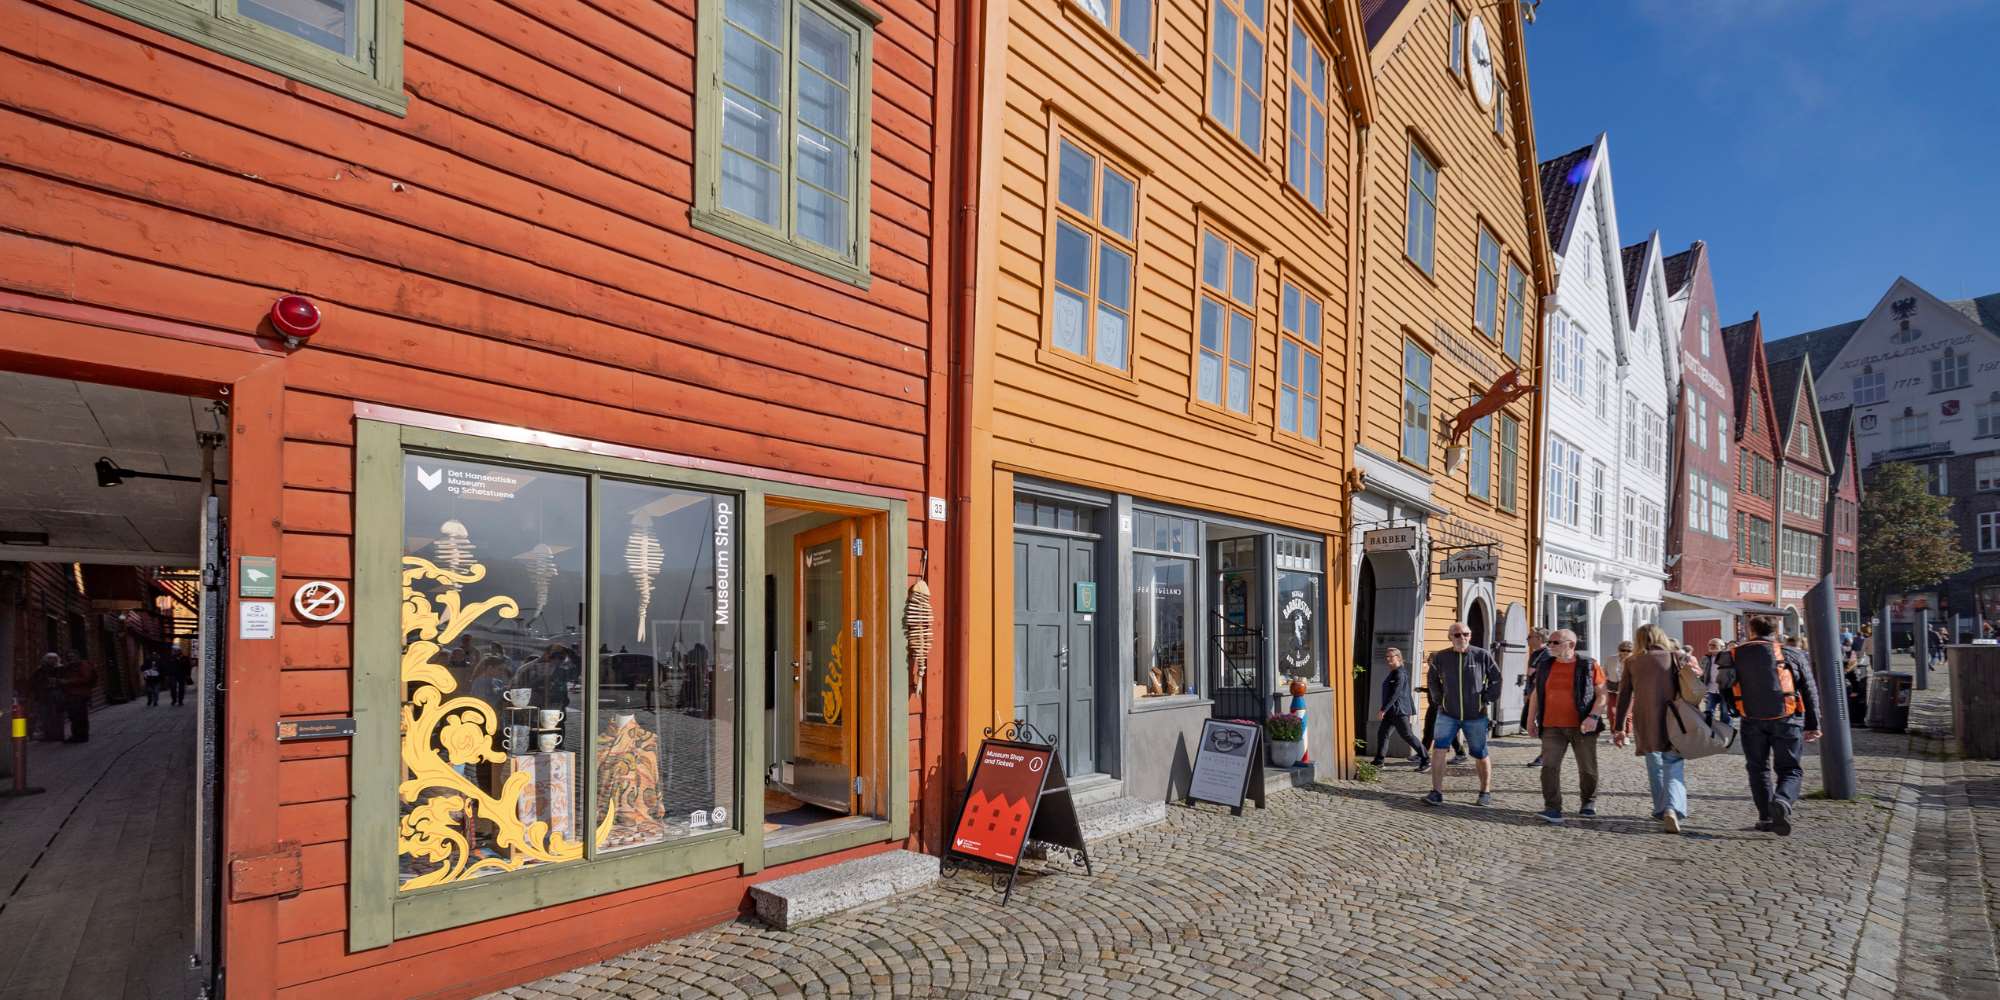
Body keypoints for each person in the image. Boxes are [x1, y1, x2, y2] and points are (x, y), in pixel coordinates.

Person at [1713, 615, 1822, 836]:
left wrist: (1736, 709)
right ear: (1775, 631)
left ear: (1751, 631)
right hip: (1788, 718)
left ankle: (1765, 817)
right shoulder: (1792, 654)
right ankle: (1782, 801)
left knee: (1758, 768)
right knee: (1790, 768)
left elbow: (1724, 686)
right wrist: (1813, 724)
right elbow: (1809, 690)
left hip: (1751, 719)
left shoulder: (1733, 654)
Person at [1613, 625, 1701, 834]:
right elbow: (1692, 687)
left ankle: (1661, 809)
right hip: (1674, 717)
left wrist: (1619, 728)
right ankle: (1672, 807)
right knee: (1673, 762)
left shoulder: (1632, 662)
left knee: (1654, 763)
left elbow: (1624, 695)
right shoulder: (1676, 657)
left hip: (1646, 718)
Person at [1525, 628, 1607, 824]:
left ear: (1571, 645)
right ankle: (1552, 808)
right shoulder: (1545, 665)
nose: (1550, 646)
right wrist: (1530, 720)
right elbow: (1536, 694)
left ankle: (1588, 801)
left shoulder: (1589, 665)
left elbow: (1603, 695)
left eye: (1555, 642)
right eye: (1549, 642)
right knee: (1549, 768)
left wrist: (1593, 717)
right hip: (1551, 726)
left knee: (1587, 768)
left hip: (1583, 726)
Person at [1423, 623, 1501, 807]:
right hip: (1447, 714)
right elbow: (1432, 680)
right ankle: (1436, 792)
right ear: (1450, 637)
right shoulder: (1441, 657)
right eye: (1457, 635)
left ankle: (1485, 792)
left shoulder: (1482, 655)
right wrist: (1439, 699)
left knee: (1480, 753)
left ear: (1470, 635)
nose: (1462, 638)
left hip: (1476, 715)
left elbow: (1496, 679)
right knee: (1439, 750)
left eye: (1465, 634)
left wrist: (1485, 699)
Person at [1371, 647, 1428, 770]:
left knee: (1407, 735)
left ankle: (1426, 759)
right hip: (1392, 711)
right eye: (1387, 656)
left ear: (1398, 657)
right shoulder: (1394, 672)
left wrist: (1383, 709)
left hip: (1399, 711)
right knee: (1383, 734)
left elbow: (1395, 694)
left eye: (1390, 656)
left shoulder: (1399, 673)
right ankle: (1379, 761)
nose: (1388, 659)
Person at [1522, 627, 1551, 767]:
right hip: (1533, 694)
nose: (1527, 639)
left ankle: (1547, 753)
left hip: (1543, 695)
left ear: (1539, 639)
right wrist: (1526, 693)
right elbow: (1530, 676)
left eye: (1530, 637)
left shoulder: (1547, 654)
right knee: (1525, 722)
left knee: (1543, 725)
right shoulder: (1535, 654)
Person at [61, 649, 98, 742]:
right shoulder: (70, 666)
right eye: (68, 657)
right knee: (75, 716)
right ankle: (78, 735)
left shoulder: (83, 665)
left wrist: (68, 681)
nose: (70, 658)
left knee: (80, 716)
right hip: (72, 694)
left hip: (80, 694)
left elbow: (86, 678)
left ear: (77, 656)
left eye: (72, 656)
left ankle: (81, 736)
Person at [30, 652, 65, 742]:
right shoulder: (40, 670)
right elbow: (33, 682)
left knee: (58, 716)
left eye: (54, 658)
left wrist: (57, 682)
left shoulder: (61, 669)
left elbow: (65, 681)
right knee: (46, 716)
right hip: (44, 695)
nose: (51, 660)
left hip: (57, 694)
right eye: (49, 658)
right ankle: (48, 735)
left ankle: (58, 735)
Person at [1701, 637, 1734, 726]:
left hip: (1725, 690)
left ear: (1722, 647)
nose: (1711, 646)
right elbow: (1704, 673)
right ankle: (1710, 730)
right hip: (1711, 689)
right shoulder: (1706, 658)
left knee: (1725, 714)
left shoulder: (1729, 657)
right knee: (1708, 712)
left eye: (1714, 645)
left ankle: (1726, 731)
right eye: (1709, 645)